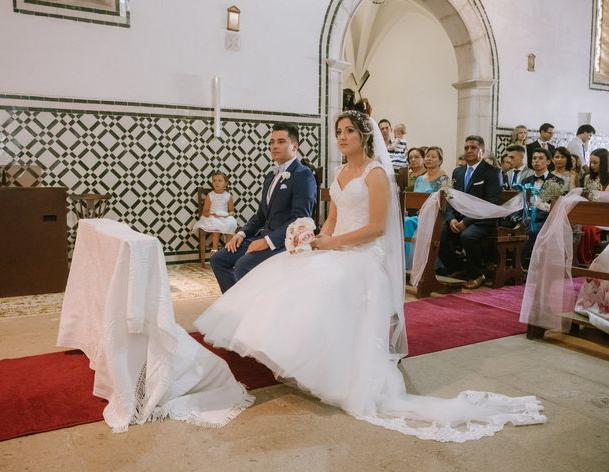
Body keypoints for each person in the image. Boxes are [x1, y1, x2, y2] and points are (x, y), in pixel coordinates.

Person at [195, 111, 545, 442]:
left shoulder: (375, 174)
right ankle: (295, 356)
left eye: (349, 131)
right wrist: (318, 241)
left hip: (363, 254)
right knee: (285, 270)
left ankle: (333, 368)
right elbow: (331, 218)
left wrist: (334, 243)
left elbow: (376, 228)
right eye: (339, 132)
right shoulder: (339, 173)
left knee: (326, 283)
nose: (343, 137)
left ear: (364, 136)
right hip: (336, 246)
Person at [209, 122, 317, 293]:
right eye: (271, 142)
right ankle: (236, 306)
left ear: (294, 146)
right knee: (218, 259)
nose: (274, 146)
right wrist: (241, 233)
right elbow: (261, 215)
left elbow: (300, 219)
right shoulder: (270, 176)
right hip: (262, 236)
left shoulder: (303, 174)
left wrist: (268, 242)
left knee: (242, 265)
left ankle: (251, 311)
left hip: (283, 242)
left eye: (281, 142)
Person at [438, 135, 502, 289]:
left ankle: (478, 273)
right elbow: (451, 199)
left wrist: (466, 222)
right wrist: (451, 219)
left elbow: (490, 203)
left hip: (483, 220)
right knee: (440, 232)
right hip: (458, 218)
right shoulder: (458, 172)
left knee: (468, 235)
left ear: (482, 150)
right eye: (466, 147)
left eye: (473, 147)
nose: (469, 150)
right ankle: (458, 268)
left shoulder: (493, 172)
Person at [403, 146, 447, 269]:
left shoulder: (444, 179)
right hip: (418, 215)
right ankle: (407, 261)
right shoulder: (419, 179)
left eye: (433, 157)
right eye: (427, 156)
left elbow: (445, 202)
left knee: (407, 222)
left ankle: (415, 263)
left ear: (440, 161)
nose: (429, 159)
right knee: (404, 221)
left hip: (434, 217)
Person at [521, 148, 565, 266]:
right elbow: (523, 202)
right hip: (525, 217)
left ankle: (521, 265)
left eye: (541, 158)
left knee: (532, 230)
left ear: (548, 162)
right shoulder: (526, 181)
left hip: (545, 219)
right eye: (534, 158)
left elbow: (552, 205)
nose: (536, 161)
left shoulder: (556, 180)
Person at [193, 171, 237, 252]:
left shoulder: (228, 196)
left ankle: (228, 250)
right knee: (216, 227)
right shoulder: (210, 195)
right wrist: (212, 214)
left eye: (220, 181)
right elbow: (205, 212)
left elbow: (231, 211)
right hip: (212, 217)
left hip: (224, 217)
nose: (217, 183)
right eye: (214, 180)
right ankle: (214, 250)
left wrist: (227, 215)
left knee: (231, 224)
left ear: (226, 183)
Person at [578, 148, 609, 264]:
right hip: (588, 212)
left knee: (587, 229)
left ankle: (585, 260)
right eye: (590, 162)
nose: (592, 166)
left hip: (603, 215)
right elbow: (585, 197)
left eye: (595, 163)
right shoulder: (588, 178)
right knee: (574, 226)